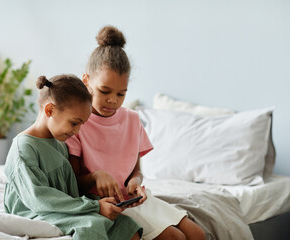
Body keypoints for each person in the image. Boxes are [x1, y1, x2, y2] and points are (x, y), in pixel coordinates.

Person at [66, 26, 206, 240]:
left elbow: (136, 171)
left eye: (121, 94)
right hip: (107, 206)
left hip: (134, 199)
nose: (113, 100)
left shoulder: (132, 119)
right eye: (105, 91)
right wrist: (96, 176)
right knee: (174, 238)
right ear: (86, 80)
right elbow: (72, 182)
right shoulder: (78, 123)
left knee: (197, 234)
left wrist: (135, 183)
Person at [4, 74, 142, 240]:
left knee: (125, 225)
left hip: (63, 210)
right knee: (92, 224)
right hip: (34, 212)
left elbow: (70, 191)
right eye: (74, 123)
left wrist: (103, 203)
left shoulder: (60, 144)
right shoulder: (24, 148)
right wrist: (94, 207)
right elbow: (38, 198)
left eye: (81, 125)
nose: (76, 132)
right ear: (50, 110)